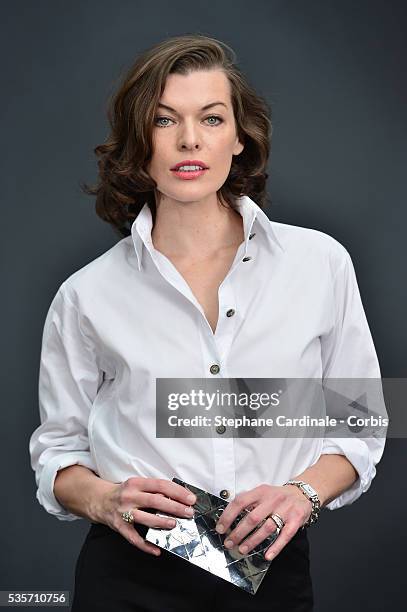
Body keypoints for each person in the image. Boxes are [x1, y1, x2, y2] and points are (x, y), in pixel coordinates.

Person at [29, 34, 386, 611]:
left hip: (270, 568)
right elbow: (58, 451)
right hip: (131, 574)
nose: (189, 139)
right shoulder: (86, 295)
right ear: (137, 141)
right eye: (164, 119)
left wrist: (302, 493)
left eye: (211, 118)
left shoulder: (321, 264)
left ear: (240, 137)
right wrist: (103, 497)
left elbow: (361, 422)